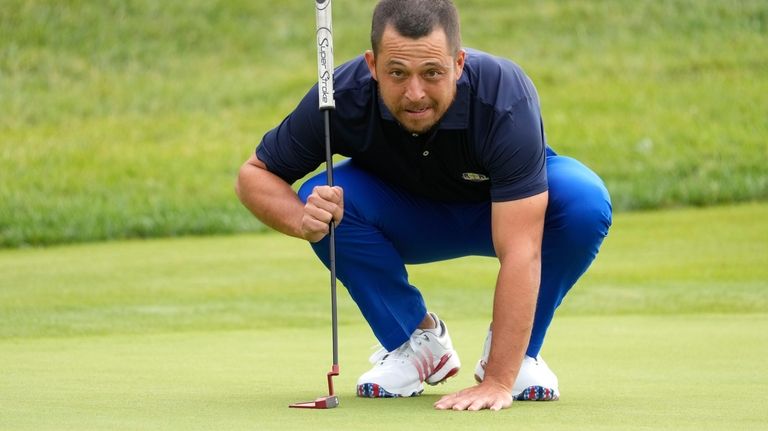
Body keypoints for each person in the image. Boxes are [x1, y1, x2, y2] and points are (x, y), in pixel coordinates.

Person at [236, 0, 611, 411]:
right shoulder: (341, 94)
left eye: (432, 73)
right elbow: (254, 175)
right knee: (320, 198)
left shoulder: (504, 93)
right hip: (402, 213)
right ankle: (417, 344)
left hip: (500, 211)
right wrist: (300, 219)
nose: (415, 93)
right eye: (397, 73)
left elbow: (522, 248)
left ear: (459, 63)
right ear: (372, 65)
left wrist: (497, 382)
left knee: (583, 201)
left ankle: (518, 358)